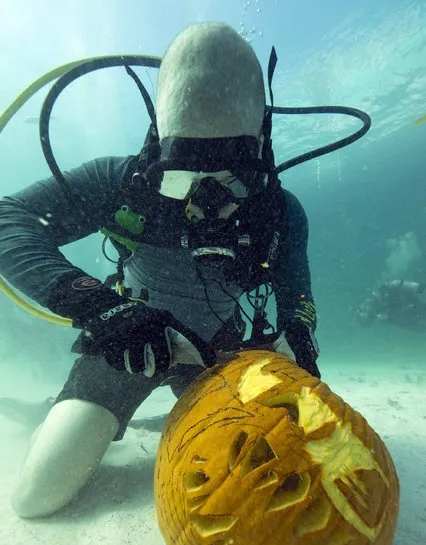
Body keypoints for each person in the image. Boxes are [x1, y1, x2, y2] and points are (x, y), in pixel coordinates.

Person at [0, 22, 320, 518]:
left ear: (262, 148)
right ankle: (56, 414)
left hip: (224, 350)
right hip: (130, 339)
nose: (209, 198)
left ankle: (167, 412)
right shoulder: (123, 183)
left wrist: (300, 333)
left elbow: (296, 290)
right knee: (37, 496)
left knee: (286, 463)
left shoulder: (278, 212)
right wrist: (96, 305)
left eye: (233, 179)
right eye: (183, 177)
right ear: (158, 145)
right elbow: (6, 218)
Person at [356, 279, 426, 332]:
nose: (362, 306)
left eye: (360, 309)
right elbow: (416, 327)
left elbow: (420, 288)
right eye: (362, 310)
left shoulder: (388, 289)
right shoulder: (388, 318)